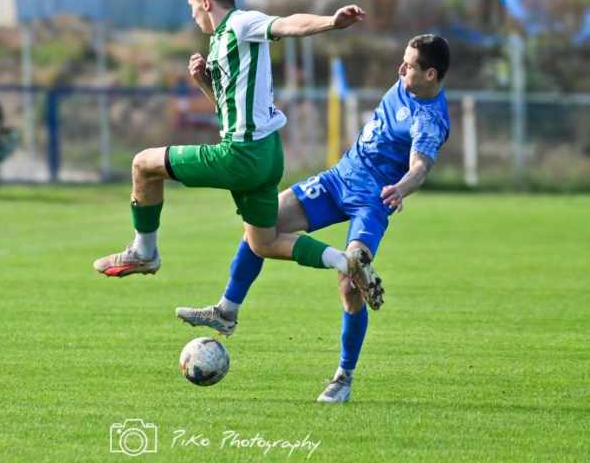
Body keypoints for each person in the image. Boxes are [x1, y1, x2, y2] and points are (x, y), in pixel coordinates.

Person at [177, 34, 452, 404]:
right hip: (338, 179)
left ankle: (344, 377)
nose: (400, 69)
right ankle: (227, 311)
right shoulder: (409, 83)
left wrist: (401, 188)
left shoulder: (430, 119)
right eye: (402, 60)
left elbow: (420, 166)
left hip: (371, 202)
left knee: (350, 282)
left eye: (409, 65)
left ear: (431, 74)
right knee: (263, 221)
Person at [93, 0, 380, 298]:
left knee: (143, 164)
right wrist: (203, 81)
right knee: (264, 242)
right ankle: (346, 263)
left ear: (205, 3)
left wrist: (332, 22)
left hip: (241, 154)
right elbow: (227, 108)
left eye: (191, 7)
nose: (192, 17)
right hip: (268, 155)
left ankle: (144, 252)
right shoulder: (220, 45)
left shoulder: (241, 23)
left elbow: (286, 24)